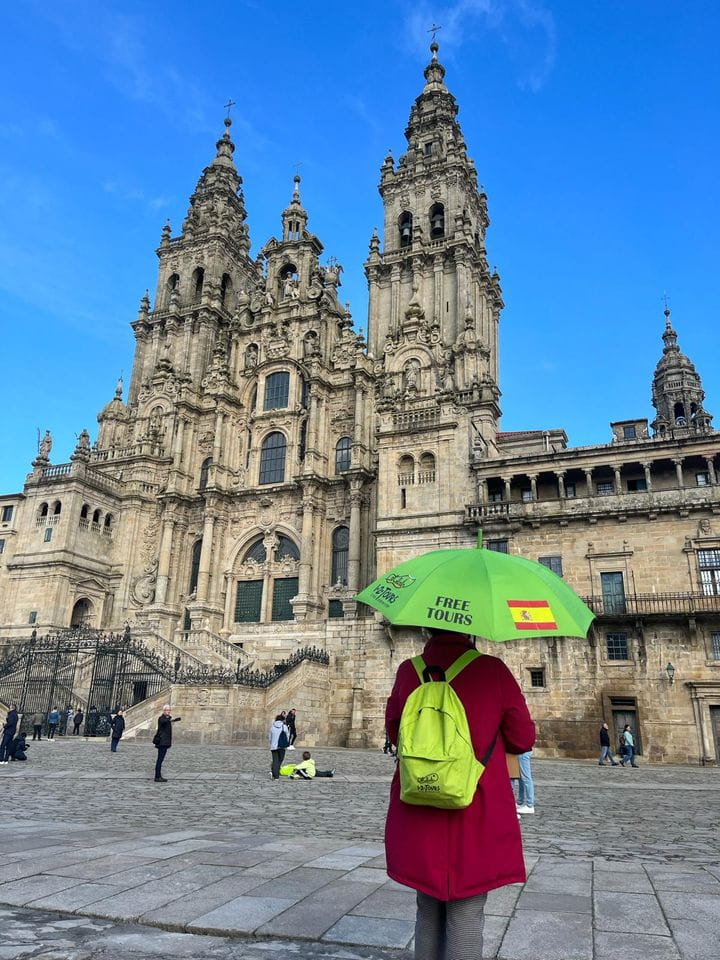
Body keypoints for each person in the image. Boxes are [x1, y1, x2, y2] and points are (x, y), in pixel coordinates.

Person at [385, 629, 535, 960]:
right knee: (467, 910)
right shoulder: (492, 670)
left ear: (427, 628)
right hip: (477, 803)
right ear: (471, 630)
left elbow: (395, 732)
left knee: (427, 906)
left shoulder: (409, 671)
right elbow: (523, 738)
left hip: (420, 801)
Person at [153, 704, 181, 782]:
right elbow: (164, 721)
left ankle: (158, 775)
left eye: (169, 710)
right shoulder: (161, 718)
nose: (168, 711)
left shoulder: (167, 719)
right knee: (159, 760)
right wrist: (170, 719)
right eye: (167, 710)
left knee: (161, 760)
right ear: (164, 711)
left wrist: (173, 720)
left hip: (165, 742)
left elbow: (167, 721)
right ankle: (157, 776)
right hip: (162, 742)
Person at [269, 713, 290, 780]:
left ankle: (274, 772)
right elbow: (287, 736)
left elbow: (269, 738)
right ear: (282, 720)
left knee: (275, 760)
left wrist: (272, 743)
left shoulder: (272, 727)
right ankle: (276, 774)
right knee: (280, 759)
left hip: (274, 747)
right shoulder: (284, 727)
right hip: (282, 746)